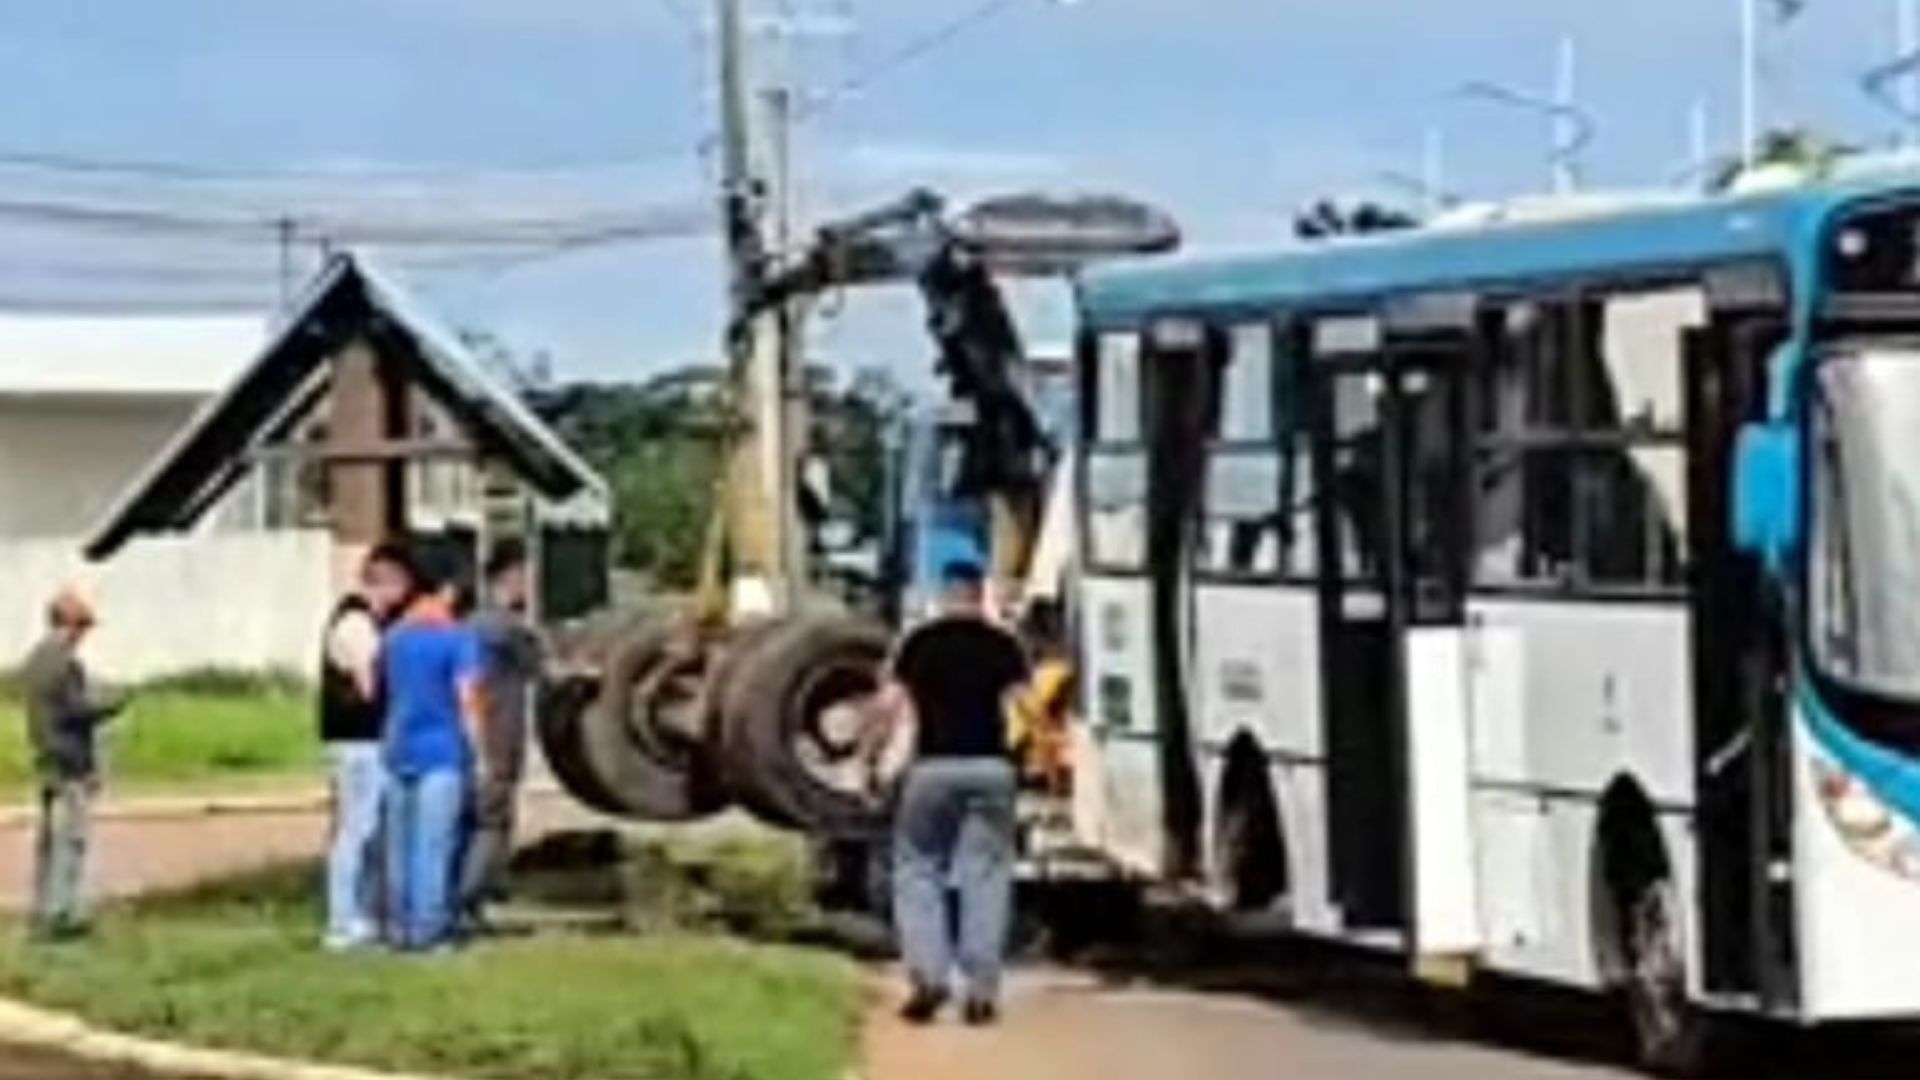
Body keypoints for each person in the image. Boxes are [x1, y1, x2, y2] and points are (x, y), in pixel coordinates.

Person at [880, 560, 1031, 1026]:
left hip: (933, 768)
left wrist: (877, 764)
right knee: (986, 876)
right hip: (991, 769)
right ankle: (981, 990)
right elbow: (1024, 710)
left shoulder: (918, 644)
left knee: (917, 869)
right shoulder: (1005, 645)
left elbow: (895, 710)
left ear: (944, 594)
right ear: (979, 593)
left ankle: (929, 977)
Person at [381, 553, 485, 952]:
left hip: (398, 747)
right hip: (442, 752)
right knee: (433, 846)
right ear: (448, 591)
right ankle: (430, 931)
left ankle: (398, 929)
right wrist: (479, 752)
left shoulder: (394, 637)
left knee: (399, 847)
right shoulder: (458, 638)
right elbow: (467, 698)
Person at [318, 543, 416, 952]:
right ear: (387, 580)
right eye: (402, 585)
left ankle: (358, 916)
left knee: (363, 829)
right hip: (357, 741)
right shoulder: (357, 624)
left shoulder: (363, 622)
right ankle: (343, 922)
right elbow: (367, 686)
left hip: (359, 741)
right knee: (356, 830)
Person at [20, 586, 126, 941]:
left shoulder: (36, 659)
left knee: (49, 841)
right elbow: (75, 712)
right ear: (66, 623)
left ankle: (44, 909)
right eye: (81, 625)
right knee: (71, 839)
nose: (82, 635)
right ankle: (60, 914)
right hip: (69, 761)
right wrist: (111, 706)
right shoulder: (63, 663)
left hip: (47, 758)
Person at [457, 539, 544, 929]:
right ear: (508, 578)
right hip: (497, 736)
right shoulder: (506, 628)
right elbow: (546, 671)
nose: (528, 585)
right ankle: (469, 900)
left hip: (471, 735)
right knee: (492, 821)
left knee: (478, 818)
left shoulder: (470, 623)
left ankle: (483, 890)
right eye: (524, 577)